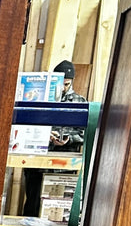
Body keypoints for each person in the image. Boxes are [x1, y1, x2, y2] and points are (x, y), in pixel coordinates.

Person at [23, 60, 86, 217]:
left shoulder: (80, 102)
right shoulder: (39, 98)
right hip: (37, 162)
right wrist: (45, 136)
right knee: (32, 204)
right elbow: (26, 127)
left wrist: (68, 139)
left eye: (67, 84)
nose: (63, 88)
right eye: (60, 84)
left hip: (63, 165)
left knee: (58, 209)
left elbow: (84, 133)